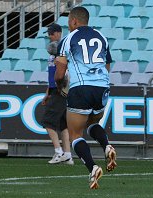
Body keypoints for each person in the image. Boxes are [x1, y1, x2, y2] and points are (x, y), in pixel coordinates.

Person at [54, 7, 117, 189]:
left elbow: (59, 74)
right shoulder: (101, 37)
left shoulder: (68, 39)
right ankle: (106, 146)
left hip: (81, 88)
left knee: (75, 134)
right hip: (102, 87)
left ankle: (93, 168)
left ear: (74, 21)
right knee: (92, 123)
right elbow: (106, 66)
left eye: (68, 22)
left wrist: (61, 87)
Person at [41, 23, 74, 165]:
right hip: (55, 89)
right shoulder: (53, 50)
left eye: (52, 33)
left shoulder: (63, 48)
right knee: (63, 124)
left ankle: (58, 151)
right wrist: (47, 92)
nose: (50, 35)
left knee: (47, 121)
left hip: (61, 89)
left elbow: (67, 71)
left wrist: (61, 88)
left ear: (59, 33)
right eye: (49, 33)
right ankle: (68, 155)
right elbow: (51, 74)